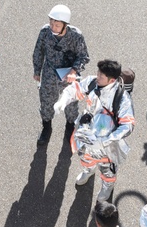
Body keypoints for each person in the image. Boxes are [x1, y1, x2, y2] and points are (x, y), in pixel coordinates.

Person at [53, 60, 135, 202]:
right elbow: (74, 89)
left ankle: (107, 185)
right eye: (98, 73)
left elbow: (127, 126)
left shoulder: (122, 98)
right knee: (85, 157)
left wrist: (105, 141)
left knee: (107, 168)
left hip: (107, 144)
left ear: (112, 80)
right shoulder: (92, 83)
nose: (97, 77)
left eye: (101, 76)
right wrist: (63, 101)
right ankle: (88, 171)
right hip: (87, 134)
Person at [32, 4, 90, 146]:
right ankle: (46, 128)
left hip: (68, 76)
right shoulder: (45, 32)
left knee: (71, 106)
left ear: (65, 25)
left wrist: (73, 71)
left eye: (57, 25)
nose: (53, 27)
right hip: (49, 74)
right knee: (46, 103)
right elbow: (38, 52)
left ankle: (69, 129)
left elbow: (84, 56)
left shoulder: (76, 36)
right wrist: (37, 71)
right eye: (51, 23)